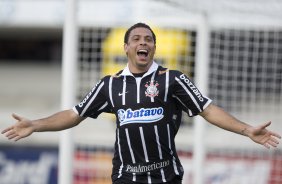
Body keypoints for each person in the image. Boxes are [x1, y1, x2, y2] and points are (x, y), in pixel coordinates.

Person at [1, 22, 281, 184]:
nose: (142, 42)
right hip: (125, 176)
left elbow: (207, 109)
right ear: (126, 48)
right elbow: (75, 114)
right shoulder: (110, 84)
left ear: (154, 48)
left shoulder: (172, 79)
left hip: (166, 176)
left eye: (148, 39)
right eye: (136, 39)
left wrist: (246, 130)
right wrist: (36, 124)